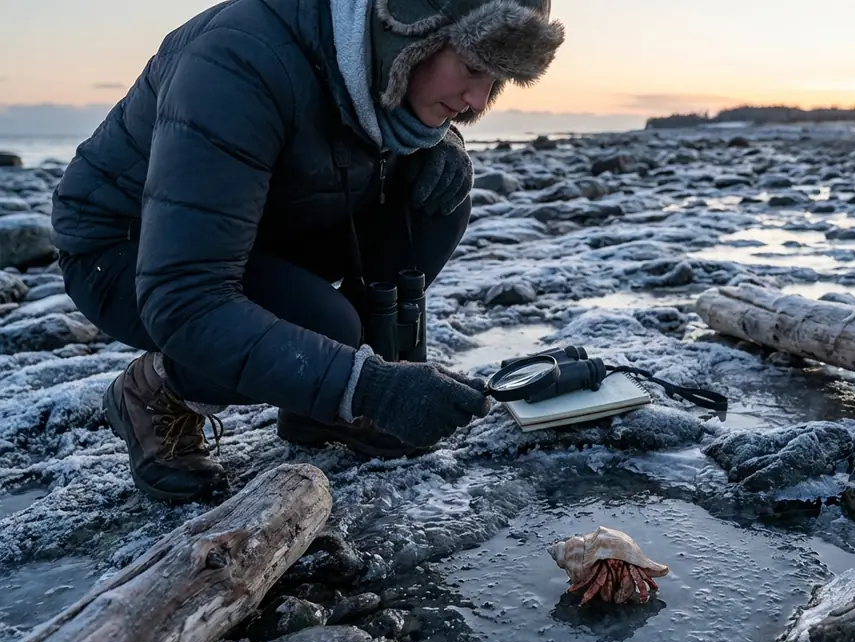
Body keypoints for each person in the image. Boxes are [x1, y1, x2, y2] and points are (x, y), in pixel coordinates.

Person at [49, 0, 565, 502]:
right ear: (408, 30)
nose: (477, 99)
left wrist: (439, 142)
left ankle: (320, 408)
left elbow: (352, 125)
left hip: (266, 219)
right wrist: (371, 388)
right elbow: (185, 299)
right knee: (326, 328)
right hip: (131, 251)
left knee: (436, 193)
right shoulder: (238, 61)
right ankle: (155, 390)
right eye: (473, 67)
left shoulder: (374, 63)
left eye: (496, 79)